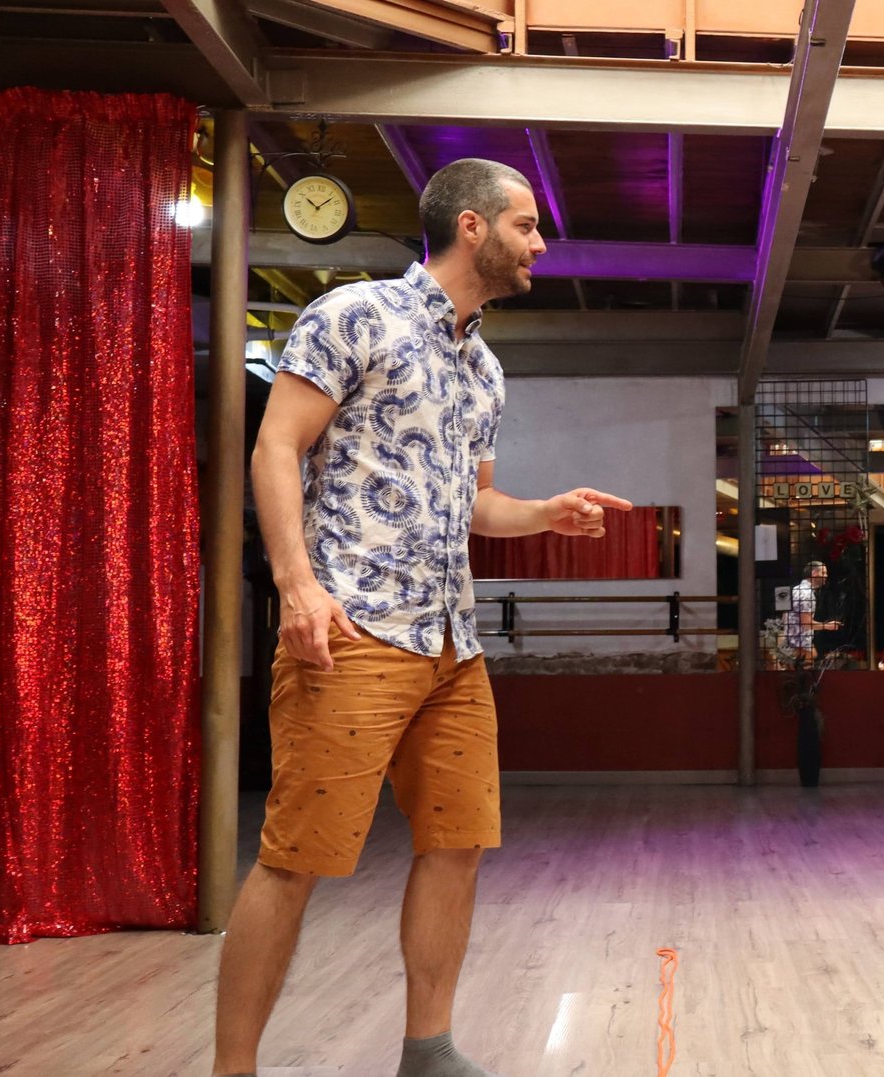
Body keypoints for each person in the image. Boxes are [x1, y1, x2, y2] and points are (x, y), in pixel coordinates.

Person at [212, 158, 633, 1077]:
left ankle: (428, 1051)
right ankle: (232, 1068)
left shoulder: (484, 368)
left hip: (453, 645)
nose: (541, 245)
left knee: (458, 844)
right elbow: (276, 445)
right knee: (295, 858)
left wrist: (545, 512)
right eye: (528, 226)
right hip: (352, 632)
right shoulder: (354, 315)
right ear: (474, 227)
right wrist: (296, 585)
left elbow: (477, 506)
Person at [784, 560, 841, 665]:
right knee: (805, 674)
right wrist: (827, 626)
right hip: (800, 644)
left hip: (792, 642)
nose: (826, 576)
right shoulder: (807, 594)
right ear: (814, 573)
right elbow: (806, 623)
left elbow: (784, 616)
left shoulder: (795, 589)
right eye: (823, 573)